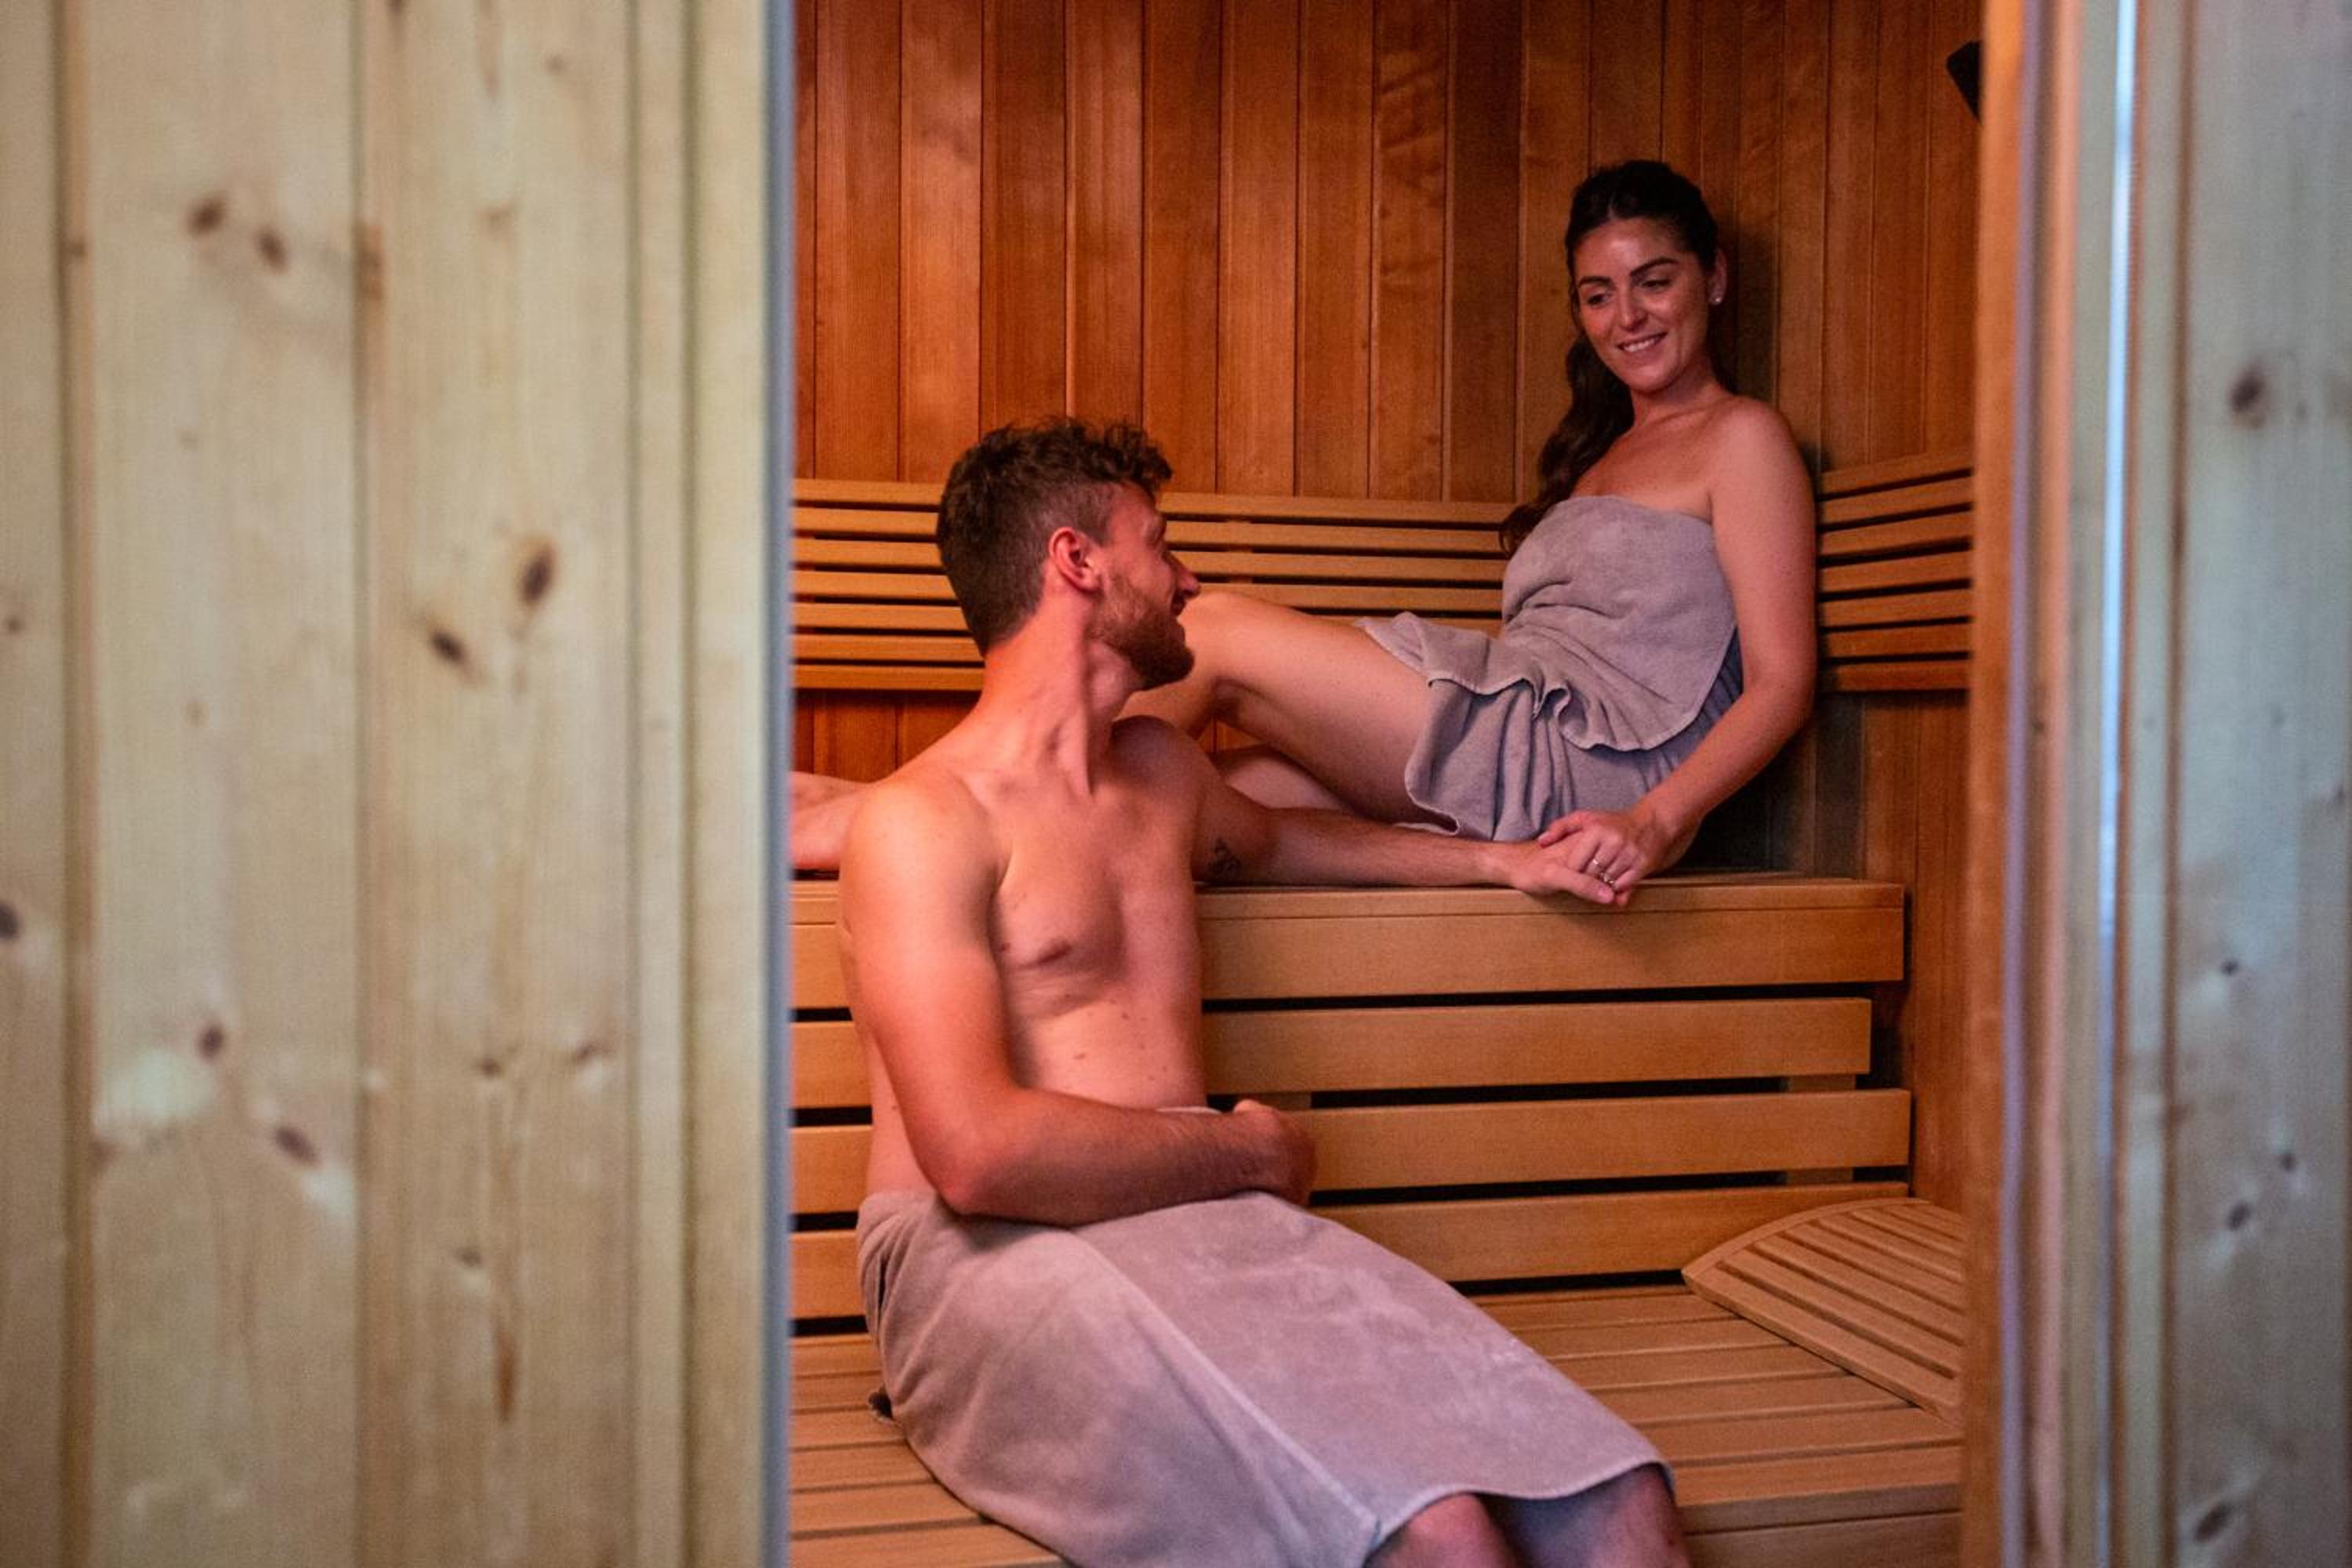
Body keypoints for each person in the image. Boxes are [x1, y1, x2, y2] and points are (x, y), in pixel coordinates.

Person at [841, 417, 1688, 1566]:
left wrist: (1501, 862)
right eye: (1159, 544)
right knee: (1437, 1536)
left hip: (1199, 1216)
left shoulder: (1159, 773)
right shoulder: (921, 823)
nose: (1187, 579)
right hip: (975, 1256)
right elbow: (978, 1157)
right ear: (1077, 562)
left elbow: (1287, 842)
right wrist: (1249, 1152)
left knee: (1622, 1506)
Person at [794, 160, 1815, 899]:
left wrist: (1654, 821)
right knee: (1201, 793)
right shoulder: (1600, 459)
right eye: (1599, 294)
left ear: (1714, 276)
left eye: (1654, 280)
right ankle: (908, 817)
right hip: (1530, 735)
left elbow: (1779, 681)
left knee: (1214, 632)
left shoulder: (1743, 439)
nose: (1627, 316)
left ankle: (907, 815)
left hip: (1601, 773)